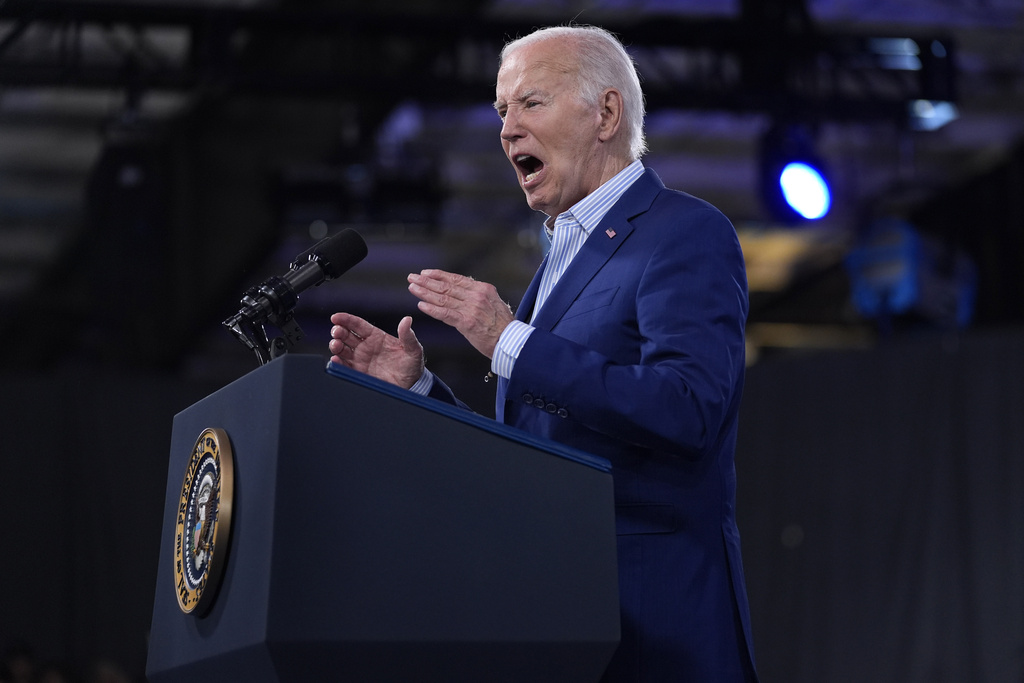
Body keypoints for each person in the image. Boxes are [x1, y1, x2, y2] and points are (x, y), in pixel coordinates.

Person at [328, 24, 758, 683]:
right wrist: (420, 390)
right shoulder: (555, 267)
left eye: (531, 103)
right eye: (502, 111)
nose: (506, 130)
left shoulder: (683, 232)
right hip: (563, 627)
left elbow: (687, 408)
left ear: (606, 113)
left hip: (657, 630)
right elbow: (528, 452)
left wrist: (508, 339)